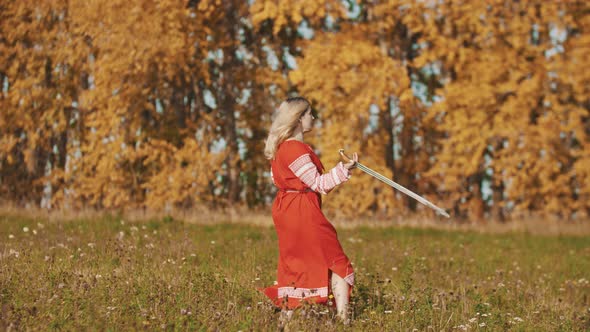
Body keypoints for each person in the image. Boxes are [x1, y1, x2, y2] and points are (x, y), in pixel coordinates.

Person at [262, 96, 358, 323]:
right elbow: (319, 184)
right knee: (337, 262)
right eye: (309, 114)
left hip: (287, 210)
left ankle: (284, 321)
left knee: (295, 264)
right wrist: (343, 170)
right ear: (298, 119)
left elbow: (281, 181)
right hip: (302, 212)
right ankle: (344, 320)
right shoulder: (295, 150)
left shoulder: (280, 149)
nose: (312, 117)